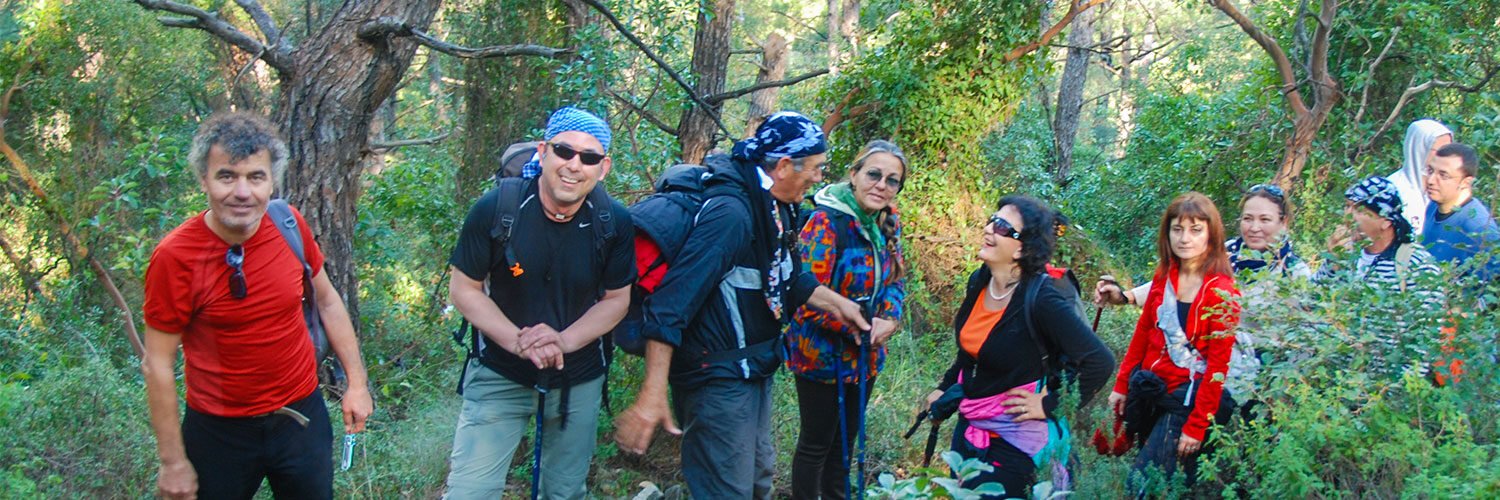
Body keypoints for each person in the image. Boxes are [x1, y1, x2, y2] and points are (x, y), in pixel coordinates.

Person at [612, 112, 870, 499]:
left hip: (753, 368)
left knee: (756, 480)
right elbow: (670, 306)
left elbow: (786, 275)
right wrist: (651, 394)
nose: (819, 178)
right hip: (716, 377)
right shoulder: (732, 214)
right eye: (816, 168)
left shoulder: (775, 204)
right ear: (784, 166)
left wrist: (838, 304)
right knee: (727, 490)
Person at [141, 112, 374, 500]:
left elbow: (328, 300)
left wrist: (357, 383)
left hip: (300, 419)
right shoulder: (176, 257)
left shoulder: (288, 225)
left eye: (256, 177)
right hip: (219, 433)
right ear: (204, 180)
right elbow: (158, 363)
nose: (242, 192)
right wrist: (173, 462)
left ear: (272, 181)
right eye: (227, 176)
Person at [441, 107, 635, 499]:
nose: (574, 165)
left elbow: (616, 300)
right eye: (564, 151)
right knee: (469, 491)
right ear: (544, 151)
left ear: (604, 167)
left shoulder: (612, 221)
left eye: (589, 157)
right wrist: (518, 341)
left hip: (576, 376)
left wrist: (561, 342)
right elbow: (465, 289)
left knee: (564, 491)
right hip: (499, 369)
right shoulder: (497, 209)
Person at [923, 195, 1115, 497]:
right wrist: (945, 387)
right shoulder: (980, 280)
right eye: (991, 219)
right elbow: (970, 353)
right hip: (971, 426)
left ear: (1023, 248)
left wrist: (1048, 404)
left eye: (1001, 227)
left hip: (1016, 438)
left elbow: (1100, 361)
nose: (988, 228)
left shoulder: (1041, 298)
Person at [1097, 184, 1309, 399]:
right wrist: (1126, 296)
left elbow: (1306, 337)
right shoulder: (1226, 253)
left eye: (1265, 220)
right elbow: (1179, 280)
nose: (1254, 227)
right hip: (1198, 369)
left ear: (1283, 222)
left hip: (1256, 384)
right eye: (1248, 218)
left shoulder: (1294, 274)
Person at [785, 140, 909, 499]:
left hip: (865, 357)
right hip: (820, 356)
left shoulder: (887, 221)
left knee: (844, 445)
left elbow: (896, 280)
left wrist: (890, 317)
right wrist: (856, 327)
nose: (881, 185)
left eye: (892, 180)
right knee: (816, 443)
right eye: (873, 174)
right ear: (854, 175)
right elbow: (803, 293)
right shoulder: (826, 221)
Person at [1106, 192, 1240, 492]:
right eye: (1177, 229)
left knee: (1140, 483)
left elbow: (1217, 369)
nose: (1184, 238)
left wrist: (1196, 426)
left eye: (1195, 230)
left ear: (1211, 234)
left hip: (1186, 401)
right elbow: (1142, 335)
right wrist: (1121, 385)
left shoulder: (1222, 293)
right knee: (1156, 481)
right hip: (1152, 391)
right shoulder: (1164, 276)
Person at [1315, 176, 1443, 378]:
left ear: (1385, 221)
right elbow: (1311, 305)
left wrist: (1397, 395)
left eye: (1359, 210)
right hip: (1338, 388)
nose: (1347, 217)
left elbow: (1427, 341)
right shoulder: (1347, 255)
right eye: (1347, 207)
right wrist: (1333, 262)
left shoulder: (1415, 264)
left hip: (1386, 393)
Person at [1421, 143, 1500, 283]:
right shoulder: (1433, 206)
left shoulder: (1478, 228)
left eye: (1443, 175)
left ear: (1466, 182)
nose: (1431, 180)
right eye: (1430, 171)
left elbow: (1491, 290)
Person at [1389, 119, 1453, 234]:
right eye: (1441, 150)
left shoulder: (1445, 189)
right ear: (1420, 148)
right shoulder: (1393, 190)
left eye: (1449, 150)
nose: (1446, 156)